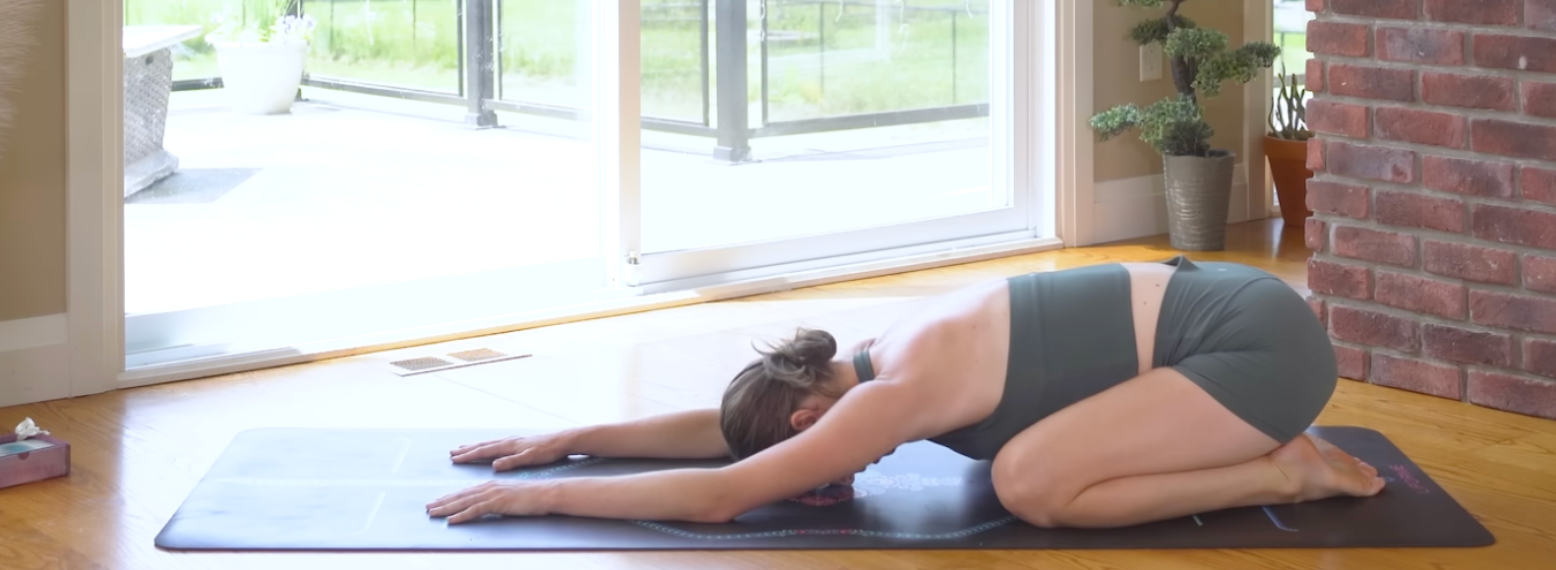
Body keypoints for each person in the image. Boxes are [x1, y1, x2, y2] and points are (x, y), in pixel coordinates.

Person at [427, 257, 1385, 528]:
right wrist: (575, 437)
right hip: (1234, 305)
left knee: (1034, 484)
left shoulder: (890, 395)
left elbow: (723, 493)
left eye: (806, 461)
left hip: (1258, 350)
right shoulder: (873, 357)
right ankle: (1275, 458)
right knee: (1029, 466)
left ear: (813, 418)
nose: (824, 479)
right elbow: (732, 441)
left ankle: (1291, 473)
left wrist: (542, 495)